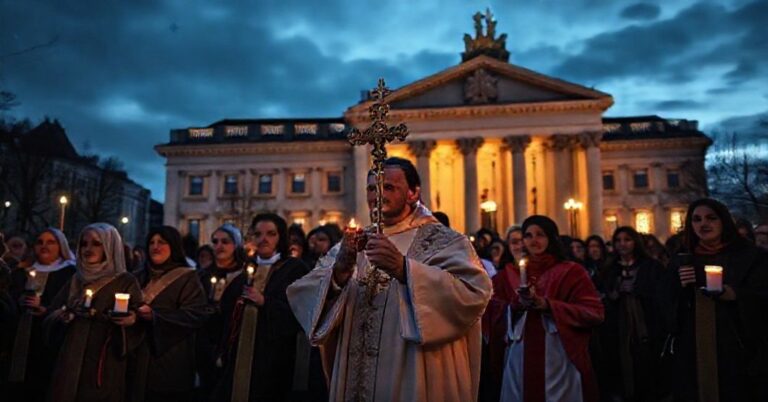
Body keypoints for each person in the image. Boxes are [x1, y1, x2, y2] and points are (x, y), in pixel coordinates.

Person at [287, 157, 492, 401]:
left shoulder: (444, 241)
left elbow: (473, 293)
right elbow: (304, 295)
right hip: (356, 374)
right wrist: (338, 273)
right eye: (371, 188)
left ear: (413, 193)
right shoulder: (355, 242)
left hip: (411, 370)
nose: (377, 195)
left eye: (389, 187)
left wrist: (404, 269)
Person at [485, 215, 604, 402]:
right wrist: (514, 306)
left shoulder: (572, 272)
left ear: (551, 237)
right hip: (519, 354)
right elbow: (490, 312)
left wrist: (548, 305)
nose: (534, 240)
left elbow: (594, 312)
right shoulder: (509, 275)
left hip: (558, 355)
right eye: (528, 235)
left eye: (540, 234)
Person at [669, 198, 768, 401]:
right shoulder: (682, 259)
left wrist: (734, 294)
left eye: (711, 218)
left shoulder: (750, 257)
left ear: (723, 221)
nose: (703, 224)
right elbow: (665, 302)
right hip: (693, 345)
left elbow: (761, 295)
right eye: (696, 219)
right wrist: (679, 288)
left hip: (735, 344)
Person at [214, 213, 310, 401]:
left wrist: (265, 302)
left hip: (275, 358)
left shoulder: (294, 268)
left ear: (280, 237)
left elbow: (302, 313)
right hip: (241, 354)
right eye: (258, 234)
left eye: (271, 234)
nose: (263, 239)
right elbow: (224, 312)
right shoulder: (245, 271)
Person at [43, 223, 143, 402]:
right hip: (71, 356)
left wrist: (130, 319)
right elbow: (53, 312)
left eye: (96, 244)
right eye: (84, 244)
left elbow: (138, 319)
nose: (88, 249)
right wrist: (64, 316)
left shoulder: (125, 281)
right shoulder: (76, 279)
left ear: (109, 246)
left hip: (103, 359)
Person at [130, 226, 209, 402]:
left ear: (173, 246)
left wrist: (156, 317)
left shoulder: (188, 278)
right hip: (136, 358)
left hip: (169, 359)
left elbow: (195, 315)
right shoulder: (138, 276)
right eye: (152, 242)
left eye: (162, 242)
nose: (155, 247)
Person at [8, 228, 76, 401]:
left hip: (50, 338)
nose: (44, 246)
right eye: (40, 242)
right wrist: (19, 299)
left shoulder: (70, 274)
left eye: (51, 242)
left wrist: (47, 308)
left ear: (61, 246)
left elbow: (71, 305)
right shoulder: (21, 271)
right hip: (20, 336)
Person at [603, 226, 671, 401]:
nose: (622, 244)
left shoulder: (650, 266)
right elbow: (604, 292)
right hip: (619, 324)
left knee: (646, 362)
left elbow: (661, 294)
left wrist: (639, 291)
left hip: (646, 322)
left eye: (627, 240)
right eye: (618, 240)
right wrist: (614, 293)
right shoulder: (611, 268)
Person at [195, 224, 247, 398]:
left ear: (236, 245)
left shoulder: (244, 275)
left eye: (225, 242)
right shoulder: (202, 275)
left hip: (231, 340)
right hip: (205, 340)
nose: (219, 246)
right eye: (215, 242)